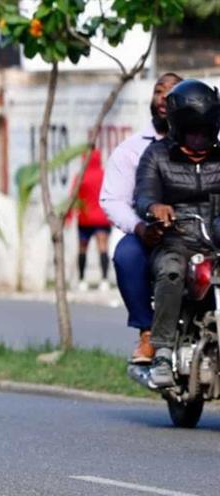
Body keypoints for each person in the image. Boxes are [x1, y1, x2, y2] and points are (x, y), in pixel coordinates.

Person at [134, 79, 220, 387]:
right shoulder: (157, 155)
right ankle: (162, 352)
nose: (199, 139)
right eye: (192, 131)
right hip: (176, 241)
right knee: (170, 271)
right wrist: (154, 206)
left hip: (216, 242)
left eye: (205, 131)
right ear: (179, 128)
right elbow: (142, 194)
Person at [100, 72, 183, 364]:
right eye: (158, 91)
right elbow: (113, 200)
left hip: (200, 233)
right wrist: (139, 227)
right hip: (151, 235)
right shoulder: (133, 149)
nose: (163, 98)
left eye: (171, 92)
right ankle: (147, 332)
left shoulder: (211, 146)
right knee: (126, 256)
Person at [70, 149, 111, 292]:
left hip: (85, 218)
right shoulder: (104, 175)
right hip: (102, 218)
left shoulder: (80, 176)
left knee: (82, 248)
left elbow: (73, 197)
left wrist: (69, 216)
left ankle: (82, 280)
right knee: (103, 247)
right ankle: (104, 280)